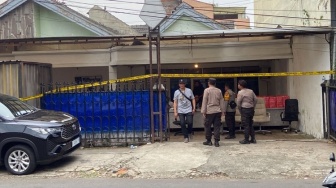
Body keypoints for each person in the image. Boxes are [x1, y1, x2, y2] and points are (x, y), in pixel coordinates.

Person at [201, 78, 225, 147]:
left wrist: (203, 111)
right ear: (215, 83)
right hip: (217, 111)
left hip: (209, 111)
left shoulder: (207, 90)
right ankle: (216, 141)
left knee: (207, 126)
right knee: (217, 126)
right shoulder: (219, 91)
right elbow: (221, 101)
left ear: (209, 83)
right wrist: (223, 111)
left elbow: (204, 101)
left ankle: (209, 141)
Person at [173, 79, 196, 143]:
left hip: (188, 109)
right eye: (180, 84)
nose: (181, 85)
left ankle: (189, 132)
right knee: (182, 123)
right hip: (180, 110)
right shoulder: (176, 92)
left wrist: (194, 108)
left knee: (190, 122)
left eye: (183, 83)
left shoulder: (189, 90)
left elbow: (193, 99)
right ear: (179, 84)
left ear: (184, 84)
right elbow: (175, 102)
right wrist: (175, 111)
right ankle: (186, 137)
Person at [236, 80, 258, 144]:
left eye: (238, 84)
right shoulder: (251, 91)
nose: (238, 85)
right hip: (251, 109)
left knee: (246, 125)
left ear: (241, 85)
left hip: (244, 109)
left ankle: (246, 139)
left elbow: (238, 103)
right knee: (250, 124)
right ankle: (253, 139)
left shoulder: (240, 92)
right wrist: (253, 106)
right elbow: (256, 99)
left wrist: (240, 110)